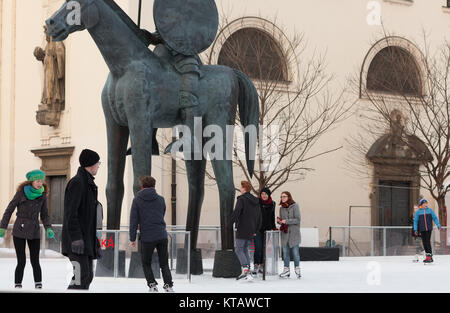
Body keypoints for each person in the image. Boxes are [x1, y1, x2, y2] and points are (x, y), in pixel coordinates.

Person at [0, 170, 54, 289]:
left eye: (41, 181)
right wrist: (3, 227)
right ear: (32, 181)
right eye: (37, 181)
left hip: (34, 229)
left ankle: (38, 284)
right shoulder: (21, 193)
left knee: (35, 260)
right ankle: (18, 284)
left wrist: (48, 228)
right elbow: (9, 210)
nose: (40, 183)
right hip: (20, 228)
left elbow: (44, 214)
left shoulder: (43, 195)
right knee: (21, 260)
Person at [62, 149, 102, 290]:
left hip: (86, 240)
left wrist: (93, 239)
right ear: (91, 165)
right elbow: (70, 213)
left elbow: (88, 217)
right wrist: (76, 238)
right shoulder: (78, 183)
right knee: (80, 276)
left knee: (87, 276)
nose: (98, 166)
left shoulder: (88, 183)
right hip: (77, 241)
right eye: (98, 163)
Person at [129, 176, 174, 293]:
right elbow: (161, 213)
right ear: (154, 186)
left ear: (142, 186)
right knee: (164, 263)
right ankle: (168, 285)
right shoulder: (161, 199)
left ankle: (152, 285)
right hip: (161, 235)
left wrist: (132, 238)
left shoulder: (137, 200)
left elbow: (133, 220)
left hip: (147, 237)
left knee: (146, 262)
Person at [231, 181, 261, 281]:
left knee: (239, 249)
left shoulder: (242, 199)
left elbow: (237, 212)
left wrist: (229, 223)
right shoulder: (256, 201)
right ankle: (248, 272)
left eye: (241, 187)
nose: (240, 188)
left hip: (242, 228)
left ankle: (245, 270)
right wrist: (256, 229)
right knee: (245, 250)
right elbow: (259, 217)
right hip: (251, 229)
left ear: (244, 188)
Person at [252, 187, 276, 276]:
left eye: (265, 194)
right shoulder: (257, 203)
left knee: (264, 248)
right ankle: (256, 265)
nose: (263, 195)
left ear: (268, 195)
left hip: (267, 230)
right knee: (258, 248)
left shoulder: (272, 203)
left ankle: (262, 265)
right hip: (257, 229)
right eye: (262, 194)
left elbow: (272, 216)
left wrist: (273, 227)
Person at [277, 191, 301, 279]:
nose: (282, 198)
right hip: (285, 233)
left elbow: (298, 219)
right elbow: (282, 221)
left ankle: (297, 269)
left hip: (294, 234)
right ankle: (286, 270)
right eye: (281, 196)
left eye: (284, 196)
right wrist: (279, 221)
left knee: (295, 253)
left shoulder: (295, 206)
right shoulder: (281, 208)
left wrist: (286, 221)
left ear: (289, 197)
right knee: (285, 253)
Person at [413, 199, 441, 263]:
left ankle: (430, 256)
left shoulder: (430, 210)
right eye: (424, 203)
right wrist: (415, 229)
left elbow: (435, 218)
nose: (425, 204)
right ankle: (427, 256)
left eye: (426, 203)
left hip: (428, 229)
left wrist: (438, 225)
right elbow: (415, 221)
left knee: (427, 241)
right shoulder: (418, 212)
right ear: (421, 204)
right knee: (424, 243)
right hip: (422, 229)